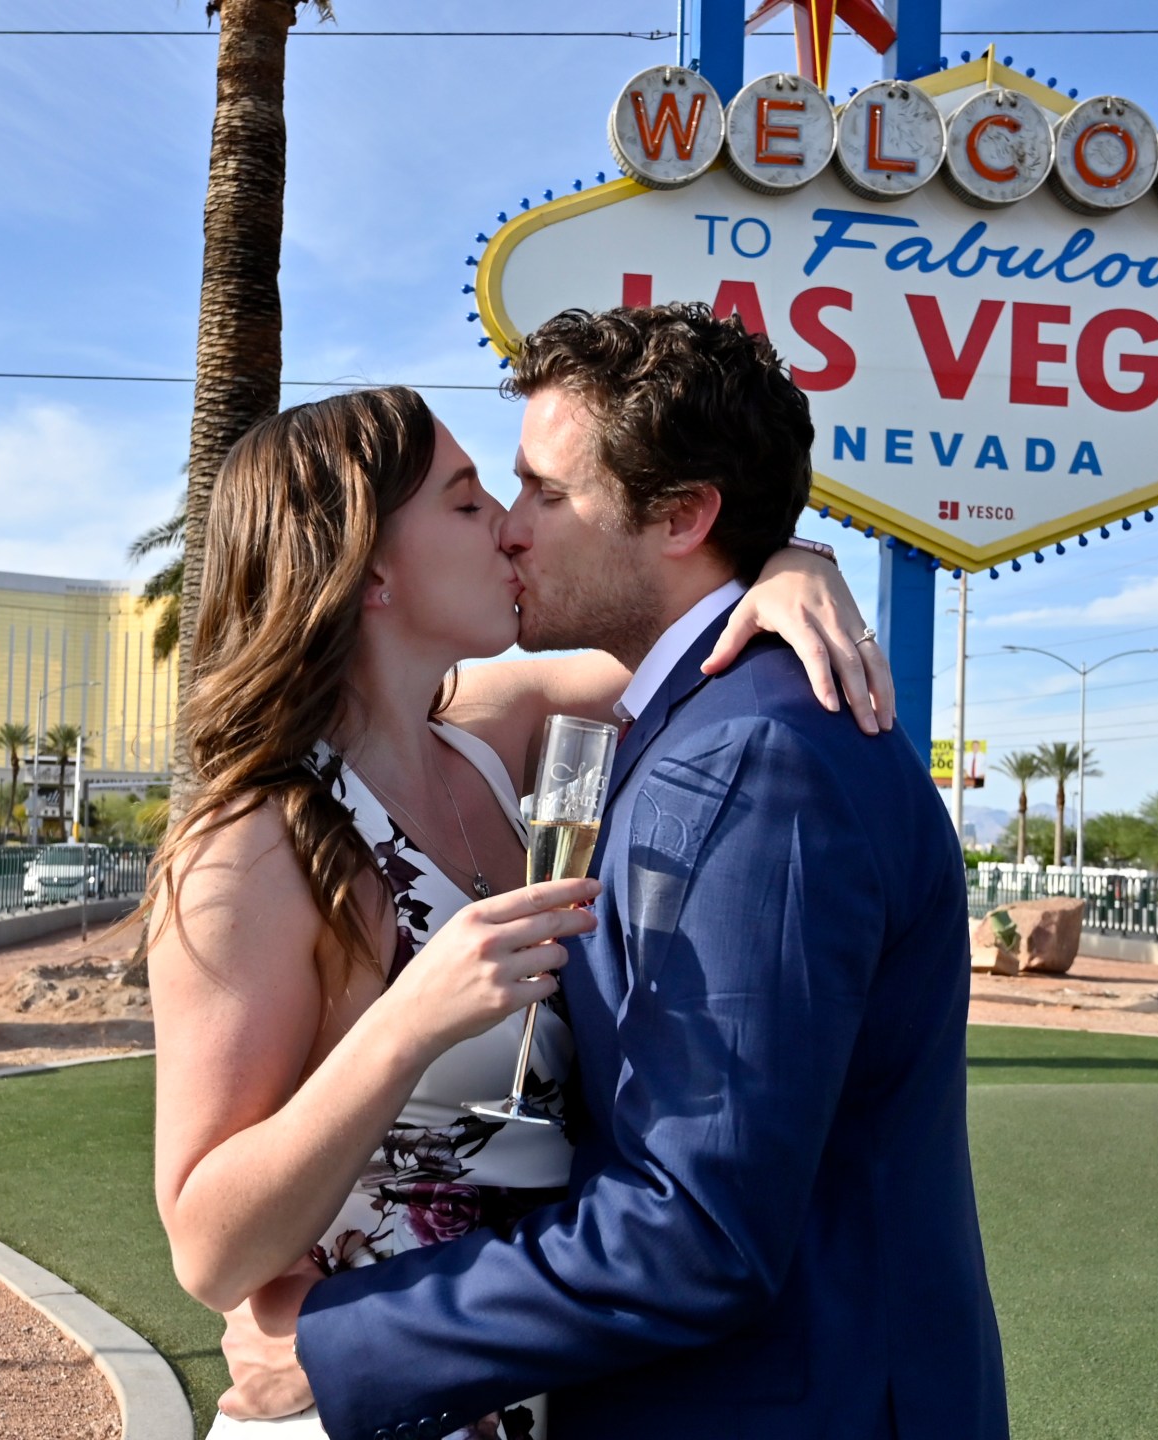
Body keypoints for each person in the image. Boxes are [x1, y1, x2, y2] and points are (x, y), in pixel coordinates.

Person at [206, 304, 1007, 1439]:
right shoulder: (669, 723)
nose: (509, 531)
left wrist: (339, 1341)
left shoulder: (750, 752)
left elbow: (698, 1226)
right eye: (485, 497)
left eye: (540, 492)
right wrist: (784, 557)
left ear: (682, 515)